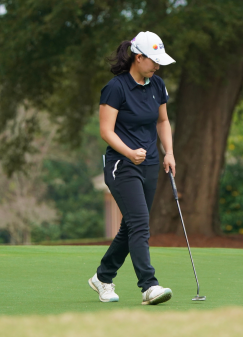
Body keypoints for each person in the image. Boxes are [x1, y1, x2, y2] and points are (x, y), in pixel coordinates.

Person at [88, 31, 177, 304]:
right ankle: (149, 286)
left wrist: (169, 152)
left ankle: (102, 277)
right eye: (153, 60)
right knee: (140, 224)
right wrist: (128, 152)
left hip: (149, 164)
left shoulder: (157, 84)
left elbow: (162, 121)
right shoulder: (115, 88)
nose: (157, 66)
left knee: (131, 226)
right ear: (138, 58)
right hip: (120, 165)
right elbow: (106, 131)